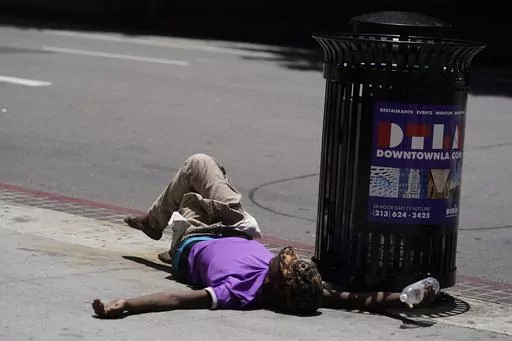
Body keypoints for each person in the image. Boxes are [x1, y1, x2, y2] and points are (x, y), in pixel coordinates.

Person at [92, 154, 436, 319]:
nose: (279, 258)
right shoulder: (306, 288)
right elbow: (354, 300)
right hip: (236, 225)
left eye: (279, 264)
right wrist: (404, 297)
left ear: (276, 284)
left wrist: (125, 305)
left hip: (196, 236)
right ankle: (157, 222)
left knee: (197, 171)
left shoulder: (237, 292)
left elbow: (175, 300)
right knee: (209, 171)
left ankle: (161, 228)